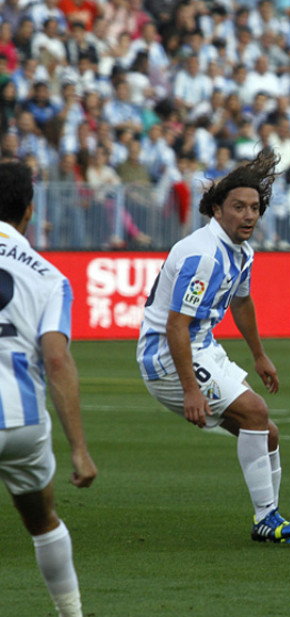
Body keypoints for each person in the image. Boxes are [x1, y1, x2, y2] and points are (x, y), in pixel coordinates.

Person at [136, 149, 290, 544]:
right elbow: (176, 325)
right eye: (238, 207)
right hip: (165, 355)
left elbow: (242, 301)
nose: (248, 215)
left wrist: (260, 354)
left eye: (254, 207)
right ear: (217, 209)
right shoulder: (204, 255)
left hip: (201, 346)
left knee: (268, 433)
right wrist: (190, 389)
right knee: (255, 411)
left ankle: (270, 519)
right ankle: (266, 518)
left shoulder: (242, 252)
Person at [0, 160, 98, 617]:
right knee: (42, 522)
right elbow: (57, 359)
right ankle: (71, 614)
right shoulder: (48, 276)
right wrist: (79, 449)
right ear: (30, 211)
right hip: (22, 422)